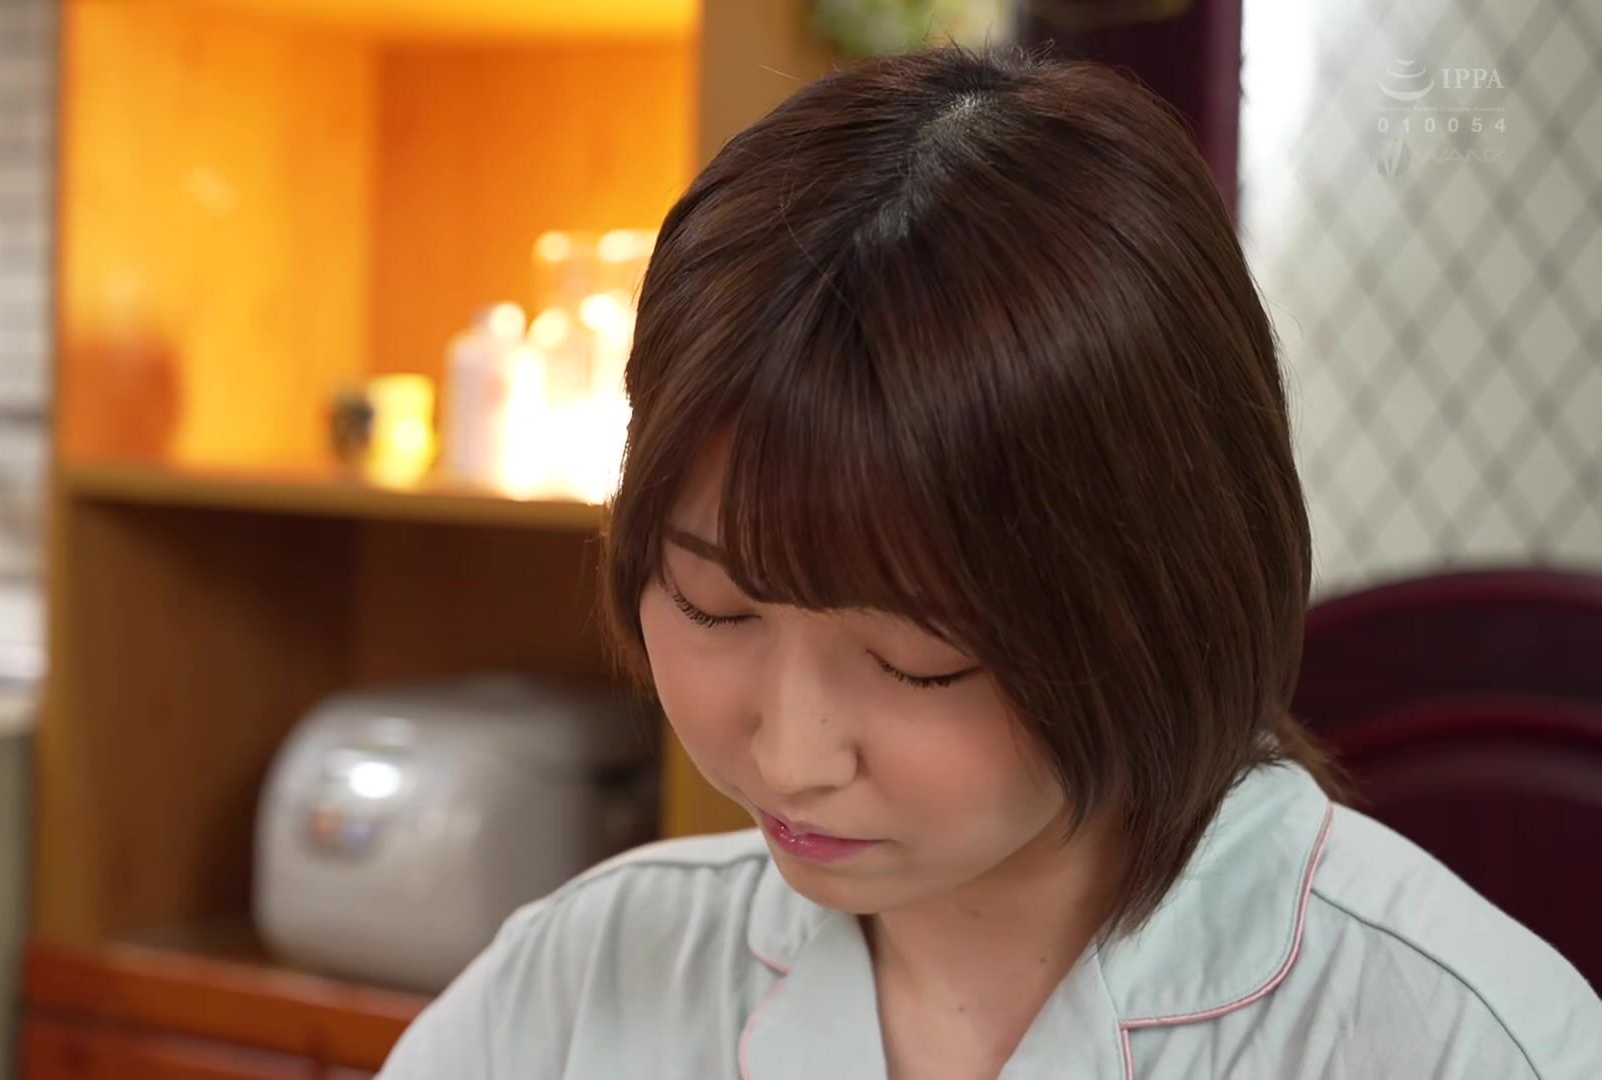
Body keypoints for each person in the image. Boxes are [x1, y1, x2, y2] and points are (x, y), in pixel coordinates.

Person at [374, 43, 1602, 1079]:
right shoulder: (581, 985)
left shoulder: (1452, 1039)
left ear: (1159, 599)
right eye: (713, 604)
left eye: (919, 662)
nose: (792, 755)